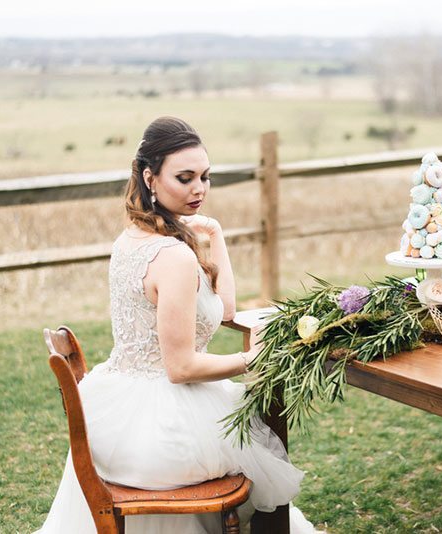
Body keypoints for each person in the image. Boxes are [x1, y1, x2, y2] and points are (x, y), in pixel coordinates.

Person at [36, 117, 318, 533]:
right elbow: (181, 368)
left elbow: (223, 309)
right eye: (185, 178)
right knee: (264, 430)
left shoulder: (132, 238)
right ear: (150, 177)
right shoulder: (172, 256)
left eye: (205, 177)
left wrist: (215, 236)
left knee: (254, 431)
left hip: (115, 419)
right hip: (155, 431)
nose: (199, 189)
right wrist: (248, 358)